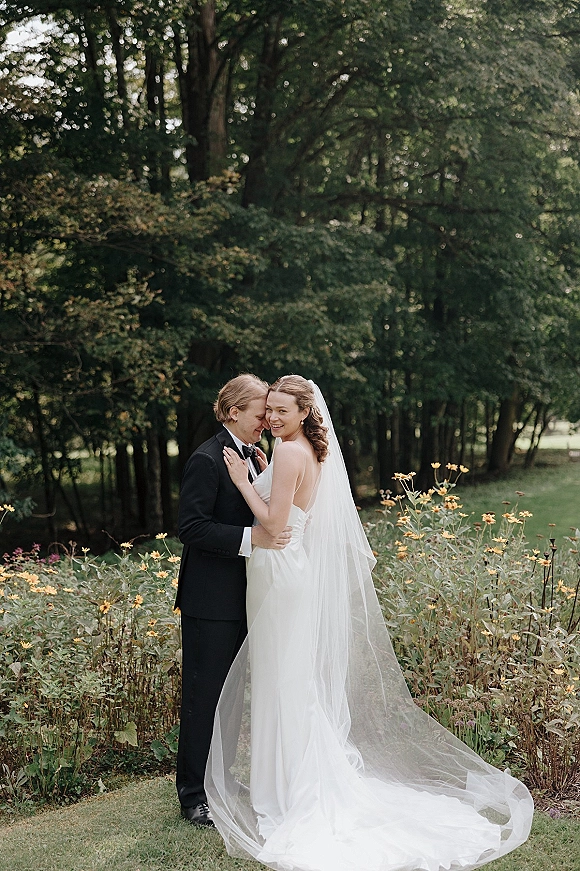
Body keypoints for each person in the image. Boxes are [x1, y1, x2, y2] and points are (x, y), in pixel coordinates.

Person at [205, 375, 534, 871]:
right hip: (286, 569)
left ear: (304, 414)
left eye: (281, 411)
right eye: (268, 409)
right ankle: (290, 783)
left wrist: (243, 483)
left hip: (280, 568)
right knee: (286, 681)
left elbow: (273, 525)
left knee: (283, 682)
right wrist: (259, 475)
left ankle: (292, 791)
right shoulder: (301, 450)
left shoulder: (291, 453)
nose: (271, 418)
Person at [174, 373, 291, 826]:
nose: (267, 418)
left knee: (230, 697)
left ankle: (218, 779)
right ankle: (192, 795)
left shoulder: (252, 455)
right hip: (210, 601)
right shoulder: (206, 459)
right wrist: (253, 538)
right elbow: (192, 527)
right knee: (203, 697)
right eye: (261, 411)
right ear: (232, 412)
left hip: (243, 597)